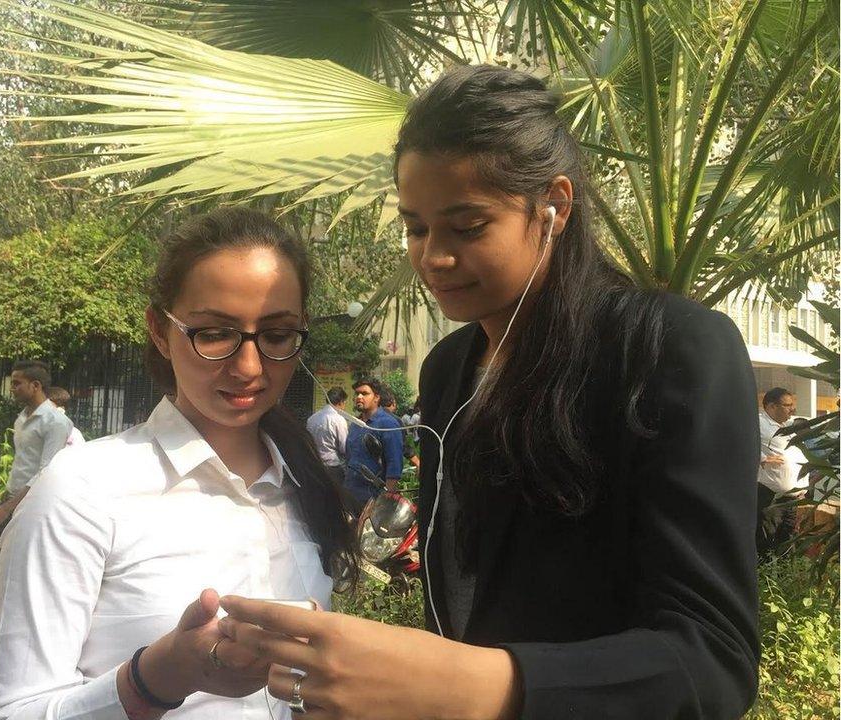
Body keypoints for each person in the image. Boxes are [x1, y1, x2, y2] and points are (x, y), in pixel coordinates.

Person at [218, 65, 759, 720]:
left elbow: (713, 661)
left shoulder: (669, 351)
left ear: (554, 206)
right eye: (416, 228)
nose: (433, 258)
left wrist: (475, 686)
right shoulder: (449, 369)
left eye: (467, 226)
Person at [0, 207, 356, 720]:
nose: (249, 367)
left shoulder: (301, 486)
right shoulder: (82, 490)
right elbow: (10, 712)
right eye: (214, 334)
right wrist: (156, 678)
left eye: (276, 336)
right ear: (160, 330)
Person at [0, 360, 74, 644]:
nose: (12, 388)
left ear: (35, 386)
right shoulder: (23, 418)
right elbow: (23, 465)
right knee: (0, 569)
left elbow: (45, 472)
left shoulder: (56, 422)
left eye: (17, 383)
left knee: (3, 572)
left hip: (32, 505)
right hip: (14, 499)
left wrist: (7, 508)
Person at [756, 387, 804, 556]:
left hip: (793, 499)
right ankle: (765, 582)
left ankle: (784, 581)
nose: (792, 409)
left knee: (788, 546)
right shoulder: (758, 423)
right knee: (766, 545)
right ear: (771, 406)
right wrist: (761, 458)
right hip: (770, 498)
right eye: (787, 405)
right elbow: (737, 442)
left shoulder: (789, 426)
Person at [343, 377, 404, 511]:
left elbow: (394, 464)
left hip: (373, 499)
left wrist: (386, 499)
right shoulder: (355, 424)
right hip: (351, 495)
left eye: (364, 393)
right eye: (357, 394)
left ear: (376, 397)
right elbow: (349, 458)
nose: (359, 397)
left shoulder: (387, 424)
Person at [305, 386, 349, 485]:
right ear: (341, 402)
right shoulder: (339, 420)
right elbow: (344, 448)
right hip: (332, 468)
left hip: (315, 465)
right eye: (344, 403)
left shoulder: (312, 418)